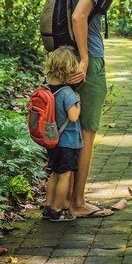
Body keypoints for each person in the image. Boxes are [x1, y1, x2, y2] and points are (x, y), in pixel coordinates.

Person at [68, 0, 122, 218]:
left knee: (70, 129)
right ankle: (77, 202)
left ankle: (64, 198)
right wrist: (86, 58)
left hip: (66, 59)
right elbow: (78, 17)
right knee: (87, 132)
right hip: (87, 62)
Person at [41, 46, 83, 222]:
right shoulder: (67, 93)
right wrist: (78, 101)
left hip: (53, 140)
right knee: (65, 174)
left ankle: (48, 207)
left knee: (55, 173)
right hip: (68, 141)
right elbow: (73, 117)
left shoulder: (45, 87)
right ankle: (58, 210)